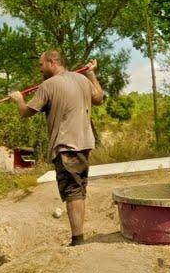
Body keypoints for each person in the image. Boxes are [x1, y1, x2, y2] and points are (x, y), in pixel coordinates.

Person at [10, 50, 104, 246]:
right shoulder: (82, 79)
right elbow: (99, 98)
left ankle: (78, 240)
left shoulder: (48, 85)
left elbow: (27, 112)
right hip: (85, 144)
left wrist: (19, 99)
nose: (40, 69)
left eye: (41, 65)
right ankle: (78, 237)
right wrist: (91, 73)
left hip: (65, 146)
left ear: (52, 62)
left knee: (73, 192)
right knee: (78, 190)